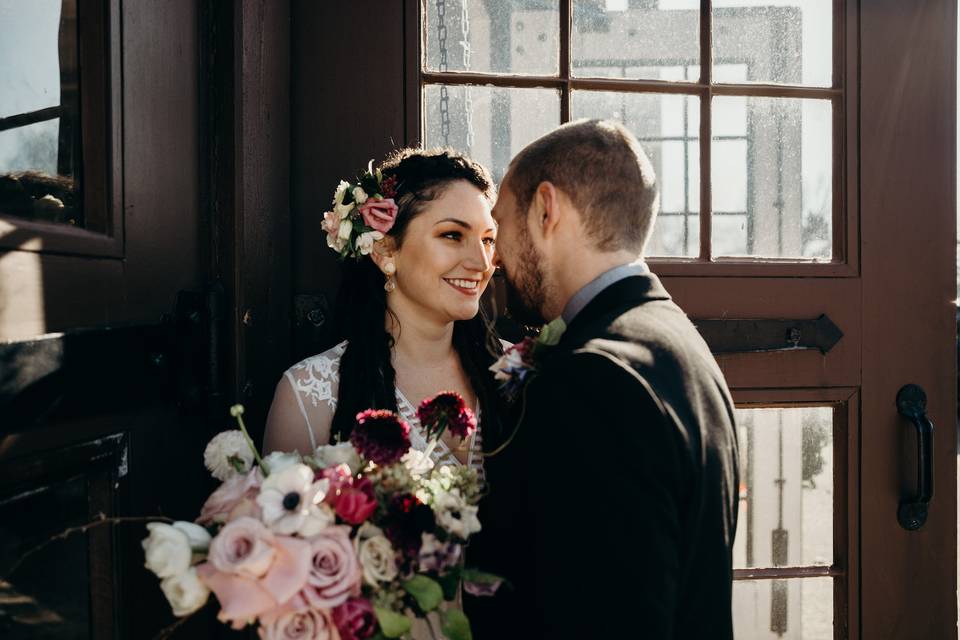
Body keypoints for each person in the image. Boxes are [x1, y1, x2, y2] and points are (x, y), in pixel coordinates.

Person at [472, 119, 740, 639]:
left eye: (500, 224)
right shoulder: (680, 341)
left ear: (546, 209)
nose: (495, 257)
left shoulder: (593, 381)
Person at [263, 148, 505, 639]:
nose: (480, 261)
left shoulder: (515, 377)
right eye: (452, 235)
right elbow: (281, 583)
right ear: (385, 251)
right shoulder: (311, 393)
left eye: (487, 239)